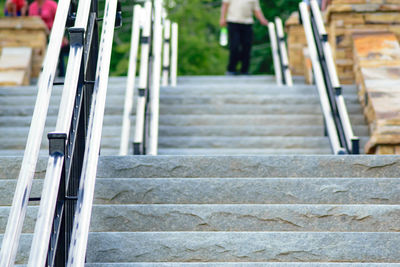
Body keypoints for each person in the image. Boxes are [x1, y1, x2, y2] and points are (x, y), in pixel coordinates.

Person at [220, 0, 268, 75]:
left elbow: (256, 9)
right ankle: (231, 69)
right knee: (234, 46)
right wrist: (222, 18)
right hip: (233, 22)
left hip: (247, 23)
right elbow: (225, 5)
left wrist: (262, 20)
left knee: (247, 46)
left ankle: (244, 70)